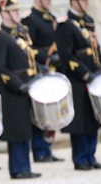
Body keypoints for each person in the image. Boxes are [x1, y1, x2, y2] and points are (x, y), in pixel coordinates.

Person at [0, 0, 42, 179]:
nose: (17, 13)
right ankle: (17, 168)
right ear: (4, 13)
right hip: (13, 88)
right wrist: (16, 83)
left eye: (18, 10)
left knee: (25, 128)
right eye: (13, 10)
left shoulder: (20, 32)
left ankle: (24, 166)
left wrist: (38, 70)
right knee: (17, 129)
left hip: (27, 84)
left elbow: (29, 57)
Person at [55, 0, 101, 170]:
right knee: (80, 120)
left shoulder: (88, 20)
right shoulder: (65, 24)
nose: (87, 3)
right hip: (78, 78)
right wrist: (85, 73)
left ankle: (91, 156)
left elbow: (95, 48)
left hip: (94, 76)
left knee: (94, 118)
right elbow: (66, 56)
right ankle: (80, 158)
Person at [21, 0, 65, 163]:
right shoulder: (29, 19)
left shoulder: (51, 18)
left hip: (52, 69)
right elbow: (28, 47)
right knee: (40, 111)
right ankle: (39, 150)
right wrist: (46, 58)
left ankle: (47, 148)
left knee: (51, 111)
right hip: (39, 69)